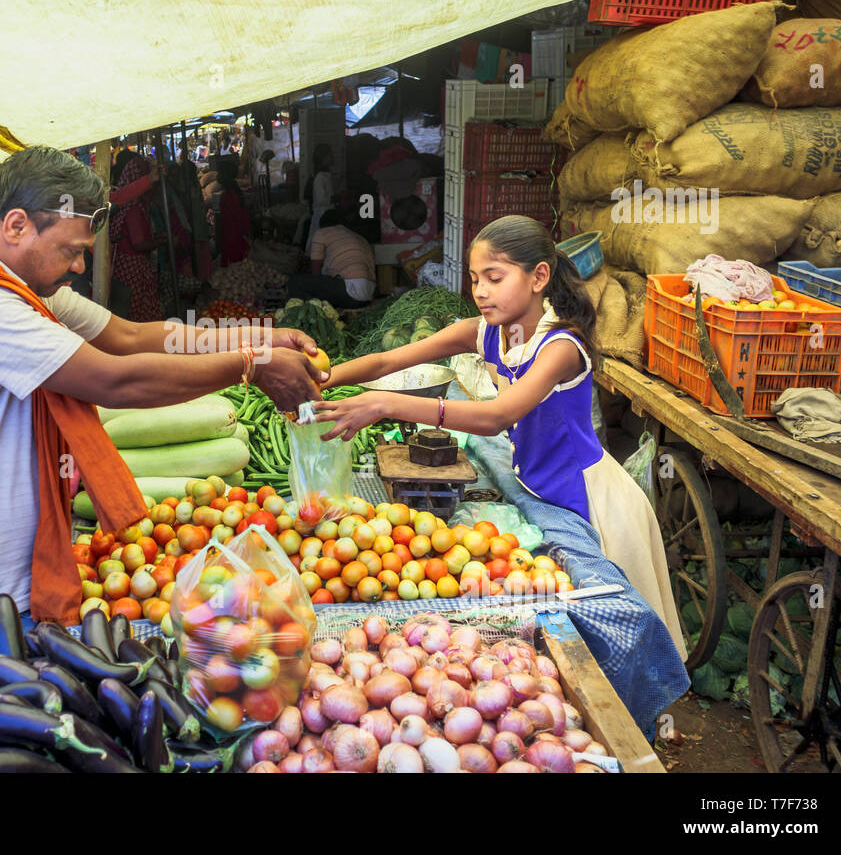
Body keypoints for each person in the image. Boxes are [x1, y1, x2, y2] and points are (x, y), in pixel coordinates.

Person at [0, 145, 326, 698]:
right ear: (16, 225)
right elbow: (114, 379)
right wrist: (250, 366)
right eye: (71, 251)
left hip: (2, 593)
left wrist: (260, 337)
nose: (79, 266)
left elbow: (135, 337)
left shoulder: (25, 288)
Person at [313, 215, 686, 658]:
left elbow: (496, 416)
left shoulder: (561, 347)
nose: (480, 291)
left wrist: (385, 404)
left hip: (588, 497)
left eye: (494, 277)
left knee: (617, 634)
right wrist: (320, 379)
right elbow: (384, 363)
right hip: (536, 485)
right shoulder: (486, 332)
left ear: (538, 277)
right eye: (474, 279)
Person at [108, 154, 164, 322]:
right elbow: (139, 244)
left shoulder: (127, 206)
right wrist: (160, 241)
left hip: (124, 265)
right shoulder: (132, 208)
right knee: (138, 309)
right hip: (132, 267)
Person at [288, 208, 376, 309]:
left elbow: (315, 274)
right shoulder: (360, 238)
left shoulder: (322, 233)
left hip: (349, 291)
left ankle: (307, 317)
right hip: (368, 295)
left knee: (295, 282)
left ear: (323, 225)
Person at [215, 158, 250, 266]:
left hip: (232, 236)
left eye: (220, 173)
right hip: (232, 235)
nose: (217, 176)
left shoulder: (229, 195)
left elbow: (236, 218)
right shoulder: (231, 192)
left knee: (234, 265)